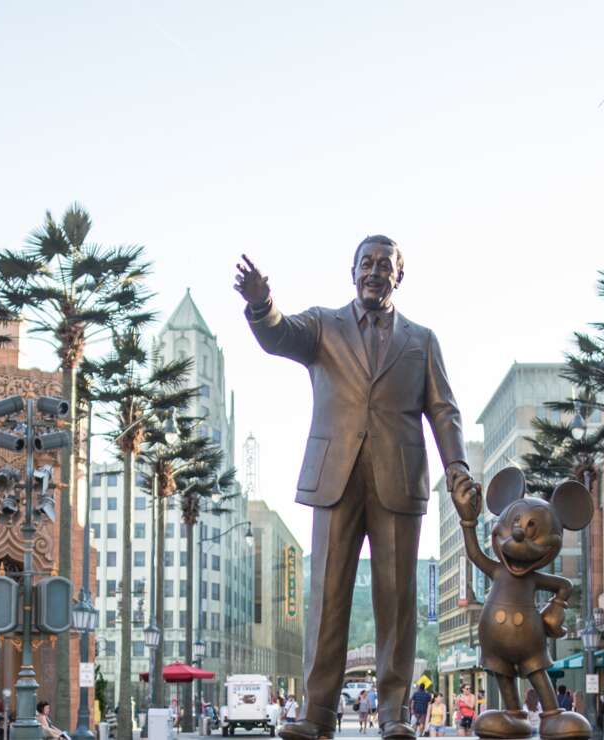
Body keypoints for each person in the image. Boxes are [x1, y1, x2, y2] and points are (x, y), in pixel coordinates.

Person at [237, 238, 472, 740]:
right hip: (335, 478)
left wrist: (457, 466)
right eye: (366, 263)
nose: (374, 272)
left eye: (385, 265)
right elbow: (278, 334)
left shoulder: (422, 339)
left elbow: (444, 409)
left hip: (399, 480)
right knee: (325, 597)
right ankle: (317, 713)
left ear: (398, 278)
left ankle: (392, 715)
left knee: (397, 599)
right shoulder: (324, 326)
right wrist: (261, 304)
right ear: (352, 271)